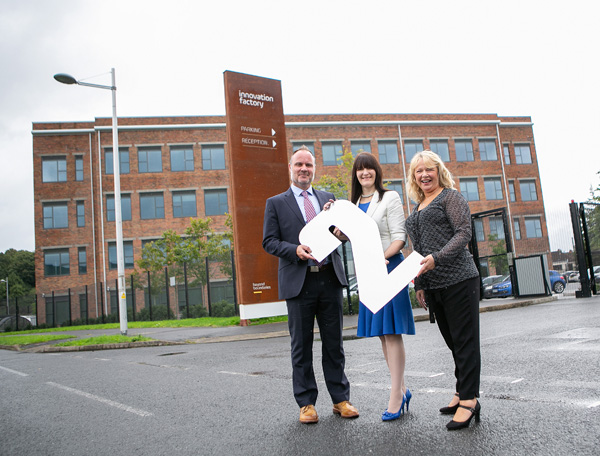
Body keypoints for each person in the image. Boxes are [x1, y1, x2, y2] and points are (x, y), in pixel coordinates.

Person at [262, 146, 359, 424]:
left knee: (334, 344)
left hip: (329, 278)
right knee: (301, 346)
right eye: (299, 164)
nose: (304, 169)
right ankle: (306, 404)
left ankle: (340, 399)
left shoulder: (329, 198)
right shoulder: (276, 203)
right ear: (290, 168)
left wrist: (342, 234)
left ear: (314, 168)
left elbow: (340, 234)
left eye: (308, 165)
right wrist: (294, 250)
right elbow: (269, 241)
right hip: (298, 282)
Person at [329, 152, 415, 422]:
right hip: (367, 273)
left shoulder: (390, 197)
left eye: (369, 169)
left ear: (377, 172)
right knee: (381, 334)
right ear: (355, 175)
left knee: (392, 333)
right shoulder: (353, 204)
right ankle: (402, 389)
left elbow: (400, 238)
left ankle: (395, 396)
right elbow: (351, 236)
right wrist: (336, 225)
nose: (365, 173)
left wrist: (381, 260)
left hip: (388, 268)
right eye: (360, 170)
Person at [404, 150, 481, 431]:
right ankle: (462, 391)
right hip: (434, 285)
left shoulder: (451, 197)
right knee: (454, 343)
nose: (424, 175)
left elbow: (463, 233)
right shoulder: (417, 207)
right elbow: (419, 250)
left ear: (439, 171)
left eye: (429, 169)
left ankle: (470, 400)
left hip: (460, 279)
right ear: (413, 177)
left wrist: (437, 257)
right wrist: (420, 284)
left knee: (465, 342)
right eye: (418, 171)